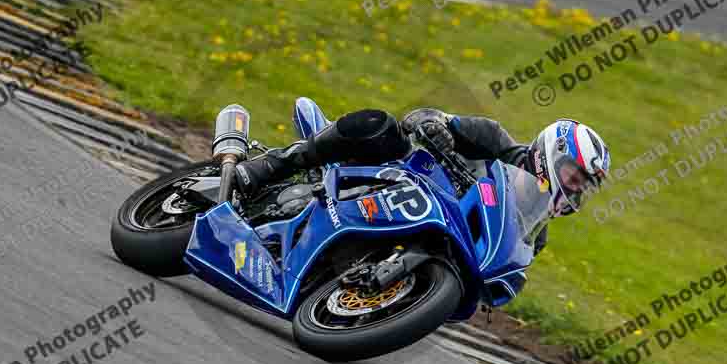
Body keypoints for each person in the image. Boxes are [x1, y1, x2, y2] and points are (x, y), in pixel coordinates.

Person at [234, 107, 611, 254]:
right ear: (551, 151)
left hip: (417, 230)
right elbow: (425, 116)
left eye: (583, 184)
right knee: (377, 126)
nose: (575, 186)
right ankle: (269, 167)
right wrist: (436, 128)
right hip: (395, 176)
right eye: (574, 174)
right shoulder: (493, 139)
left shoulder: (534, 233)